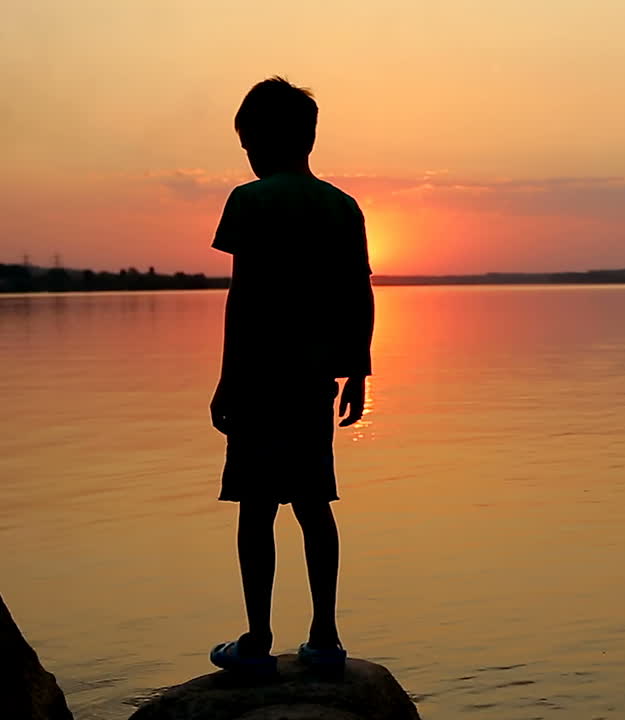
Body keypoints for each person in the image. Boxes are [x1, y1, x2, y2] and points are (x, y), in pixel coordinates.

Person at [207, 76, 375, 675]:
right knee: (313, 504)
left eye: (248, 143)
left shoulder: (248, 202)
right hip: (312, 381)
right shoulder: (341, 205)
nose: (246, 155)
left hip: (257, 380)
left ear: (264, 140)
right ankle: (326, 637)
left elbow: (242, 297)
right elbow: (359, 295)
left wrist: (226, 381)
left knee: (255, 508)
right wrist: (357, 372)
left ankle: (256, 640)